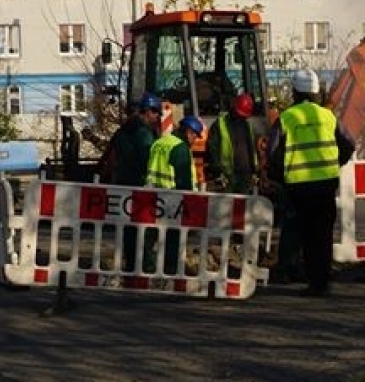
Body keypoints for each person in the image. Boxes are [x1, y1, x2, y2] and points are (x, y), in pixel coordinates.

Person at [269, 69, 351, 297]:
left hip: (298, 186)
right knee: (323, 235)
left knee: (304, 234)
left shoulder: (287, 118)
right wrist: (334, 163)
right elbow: (348, 145)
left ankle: (306, 278)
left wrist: (279, 177)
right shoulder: (328, 116)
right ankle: (321, 282)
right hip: (326, 185)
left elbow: (273, 152)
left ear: (295, 92)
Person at [103, 94, 161, 271]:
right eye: (156, 112)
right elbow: (147, 159)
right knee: (146, 228)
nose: (158, 116)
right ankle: (144, 265)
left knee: (128, 229)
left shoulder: (123, 131)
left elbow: (111, 155)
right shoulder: (143, 133)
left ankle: (130, 264)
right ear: (148, 112)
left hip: (122, 183)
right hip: (139, 185)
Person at [145, 114, 198, 274]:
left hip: (151, 195)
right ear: (189, 132)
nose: (195, 140)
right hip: (172, 198)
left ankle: (145, 265)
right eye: (195, 136)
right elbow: (184, 180)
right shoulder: (181, 148)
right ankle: (170, 269)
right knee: (173, 238)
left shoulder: (159, 142)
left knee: (148, 235)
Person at [206, 92, 260, 194]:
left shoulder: (247, 125)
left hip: (245, 175)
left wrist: (254, 170)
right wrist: (218, 172)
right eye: (240, 115)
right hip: (228, 175)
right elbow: (213, 149)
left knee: (244, 206)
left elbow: (251, 149)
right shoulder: (220, 124)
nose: (242, 117)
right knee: (228, 206)